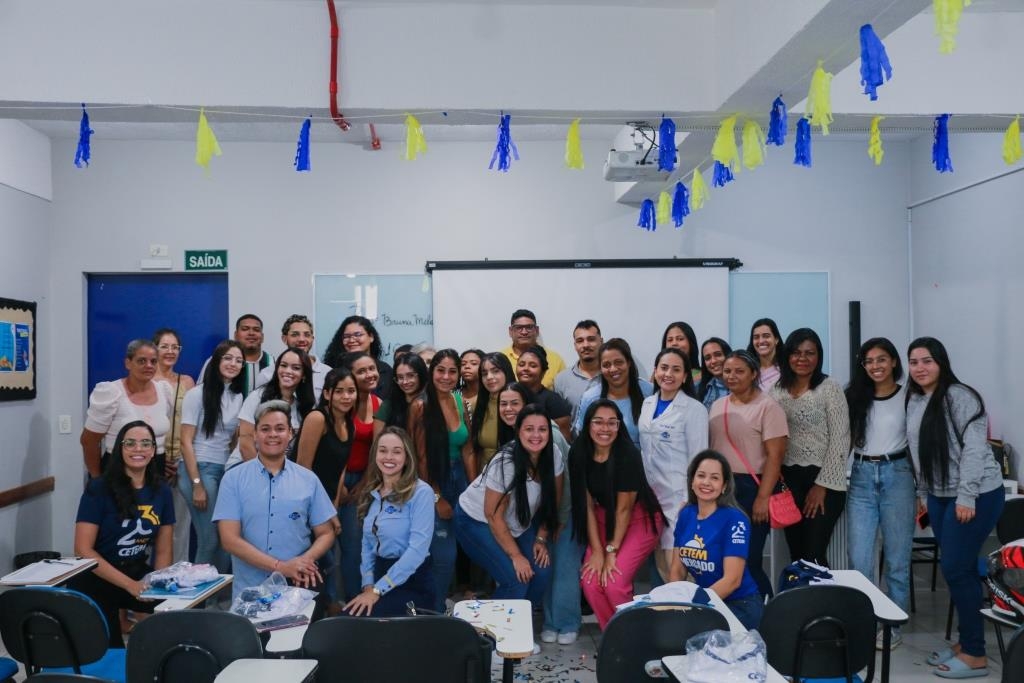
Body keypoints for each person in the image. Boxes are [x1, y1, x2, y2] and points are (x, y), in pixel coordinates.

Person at [907, 337, 1005, 679]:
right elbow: (919, 451)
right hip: (938, 495)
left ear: (941, 363)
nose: (920, 368)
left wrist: (966, 496)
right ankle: (965, 644)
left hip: (977, 494)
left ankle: (976, 654)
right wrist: (923, 492)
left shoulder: (960, 396)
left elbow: (975, 449)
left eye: (927, 361)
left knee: (957, 568)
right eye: (914, 362)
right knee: (956, 570)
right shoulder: (916, 399)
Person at [213, 400, 338, 603]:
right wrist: (281, 567)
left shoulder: (308, 479)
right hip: (249, 592)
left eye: (280, 429)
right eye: (265, 429)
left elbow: (326, 533)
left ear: (290, 434)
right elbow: (229, 539)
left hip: (297, 590)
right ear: (255, 434)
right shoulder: (233, 479)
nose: (273, 434)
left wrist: (303, 561)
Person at [71, 421, 174, 648]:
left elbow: (164, 549)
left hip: (136, 570)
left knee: (174, 621)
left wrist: (158, 583)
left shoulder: (162, 491)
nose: (138, 449)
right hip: (96, 576)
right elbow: (83, 550)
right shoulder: (99, 488)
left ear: (153, 450)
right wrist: (130, 585)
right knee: (112, 650)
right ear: (120, 448)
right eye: (130, 443)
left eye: (145, 443)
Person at [495, 382, 579, 644]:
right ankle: (546, 622)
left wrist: (559, 521)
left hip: (563, 511)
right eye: (504, 404)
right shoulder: (514, 435)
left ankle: (565, 622)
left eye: (515, 403)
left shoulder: (547, 432)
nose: (509, 409)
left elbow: (565, 486)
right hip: (537, 515)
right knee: (543, 566)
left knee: (563, 566)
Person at [454, 405, 562, 607]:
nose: (536, 435)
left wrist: (541, 538)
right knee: (516, 579)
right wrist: (516, 555)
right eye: (529, 429)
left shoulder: (553, 454)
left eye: (542, 429)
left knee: (541, 572)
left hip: (516, 521)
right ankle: (491, 627)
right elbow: (493, 515)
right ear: (518, 431)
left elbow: (553, 500)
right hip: (476, 520)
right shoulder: (505, 462)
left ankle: (519, 620)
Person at [845, 337, 914, 650]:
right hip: (861, 476)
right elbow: (844, 439)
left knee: (897, 558)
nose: (875, 366)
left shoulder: (909, 396)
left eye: (881, 359)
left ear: (894, 361)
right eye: (869, 361)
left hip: (897, 474)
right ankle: (865, 621)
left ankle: (892, 625)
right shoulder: (854, 397)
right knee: (859, 558)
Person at [571, 399, 664, 629]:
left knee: (614, 582)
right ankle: (612, 635)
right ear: (588, 424)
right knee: (590, 581)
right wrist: (597, 551)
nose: (605, 428)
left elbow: (624, 509)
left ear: (619, 426)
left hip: (639, 519)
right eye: (598, 422)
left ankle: (632, 636)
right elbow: (587, 506)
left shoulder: (628, 454)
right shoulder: (579, 452)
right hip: (603, 517)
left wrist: (610, 552)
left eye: (612, 423)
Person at [708, 350, 788, 599]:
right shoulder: (717, 405)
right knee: (722, 558)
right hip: (721, 489)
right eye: (727, 371)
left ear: (754, 374)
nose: (731, 376)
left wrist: (762, 498)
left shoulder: (768, 407)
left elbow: (775, 456)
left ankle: (767, 610)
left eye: (739, 371)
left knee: (749, 559)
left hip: (752, 489)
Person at [771, 328, 850, 565]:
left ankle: (822, 591)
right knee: (796, 555)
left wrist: (822, 485)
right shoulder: (776, 390)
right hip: (788, 480)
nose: (802, 358)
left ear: (818, 356)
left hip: (824, 481)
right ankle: (800, 591)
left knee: (814, 554)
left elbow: (840, 439)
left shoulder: (829, 387)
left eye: (809, 353)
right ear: (787, 356)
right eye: (796, 353)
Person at [343, 427, 436, 617]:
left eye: (397, 452)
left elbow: (417, 550)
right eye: (383, 450)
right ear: (375, 455)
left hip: (412, 581)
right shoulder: (371, 492)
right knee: (349, 618)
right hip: (379, 578)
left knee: (353, 620)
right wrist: (368, 585)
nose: (389, 457)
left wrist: (378, 590)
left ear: (407, 457)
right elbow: (367, 545)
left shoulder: (421, 492)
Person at [408, 349, 475, 610]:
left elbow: (467, 448)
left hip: (461, 478)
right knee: (444, 555)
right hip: (433, 480)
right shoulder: (421, 406)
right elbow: (420, 459)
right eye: (440, 370)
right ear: (431, 371)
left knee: (465, 545)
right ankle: (432, 613)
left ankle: (439, 606)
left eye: (452, 371)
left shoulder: (459, 400)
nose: (446, 377)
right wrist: (436, 497)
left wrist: (474, 488)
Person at [669, 449, 763, 631]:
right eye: (701, 476)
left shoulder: (735, 520)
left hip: (739, 605)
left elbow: (732, 580)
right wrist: (676, 604)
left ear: (724, 486)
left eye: (714, 478)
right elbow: (677, 570)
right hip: (706, 604)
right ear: (692, 481)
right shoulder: (686, 514)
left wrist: (696, 606)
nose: (706, 482)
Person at [638, 347, 708, 581]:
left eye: (676, 370)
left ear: (685, 376)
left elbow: (700, 460)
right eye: (664, 368)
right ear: (655, 371)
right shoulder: (648, 403)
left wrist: (691, 500)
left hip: (679, 498)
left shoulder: (694, 409)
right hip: (651, 497)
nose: (668, 374)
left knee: (678, 568)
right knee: (660, 564)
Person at [177, 340, 245, 572]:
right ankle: (197, 592)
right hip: (199, 469)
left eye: (238, 360)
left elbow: (233, 439)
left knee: (227, 540)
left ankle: (220, 591)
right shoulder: (197, 394)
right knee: (210, 539)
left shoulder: (238, 396)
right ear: (216, 361)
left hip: (224, 471)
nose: (233, 364)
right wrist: (197, 484)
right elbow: (185, 441)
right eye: (228, 358)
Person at [297, 367, 357, 610]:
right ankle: (321, 610)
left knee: (331, 560)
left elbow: (341, 469)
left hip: (328, 501)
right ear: (327, 394)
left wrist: (334, 505)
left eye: (351, 391)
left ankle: (329, 607)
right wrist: (325, 512)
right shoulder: (317, 418)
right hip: (306, 503)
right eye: (339, 391)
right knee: (323, 560)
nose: (346, 397)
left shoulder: (349, 423)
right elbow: (303, 469)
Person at [81, 339, 175, 479]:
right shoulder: (111, 393)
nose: (148, 366)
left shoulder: (164, 391)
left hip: (156, 470)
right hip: (117, 470)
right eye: (142, 361)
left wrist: (158, 458)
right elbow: (89, 441)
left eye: (153, 361)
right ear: (128, 363)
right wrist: (96, 478)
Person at [334, 351, 384, 600]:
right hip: (336, 479)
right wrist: (340, 485)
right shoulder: (344, 403)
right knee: (334, 545)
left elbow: (377, 449)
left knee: (356, 545)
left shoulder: (378, 404)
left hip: (365, 481)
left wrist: (365, 483)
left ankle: (355, 601)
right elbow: (336, 447)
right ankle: (335, 601)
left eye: (372, 369)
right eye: (361, 371)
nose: (369, 375)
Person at [152, 328, 195, 564]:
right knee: (147, 522)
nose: (170, 351)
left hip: (181, 461)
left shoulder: (187, 382)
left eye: (175, 347)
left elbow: (194, 423)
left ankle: (178, 575)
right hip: (149, 462)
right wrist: (158, 461)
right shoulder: (145, 380)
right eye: (164, 346)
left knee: (179, 524)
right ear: (154, 349)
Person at [234, 347, 316, 464]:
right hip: (245, 465)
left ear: (304, 375)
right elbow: (245, 442)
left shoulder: (302, 407)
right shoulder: (257, 396)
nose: (288, 371)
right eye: (283, 365)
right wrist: (264, 472)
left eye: (296, 368)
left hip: (280, 470)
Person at [574, 338, 654, 448]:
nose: (613, 369)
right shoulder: (590, 398)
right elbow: (583, 437)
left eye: (618, 362)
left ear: (629, 362)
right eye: (606, 365)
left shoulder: (649, 391)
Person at [255, 314, 331, 396]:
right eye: (295, 334)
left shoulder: (327, 373)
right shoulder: (267, 375)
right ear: (284, 339)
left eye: (307, 335)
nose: (301, 339)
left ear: (312, 339)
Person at [199, 314, 272, 398]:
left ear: (262, 337)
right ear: (236, 335)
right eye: (245, 329)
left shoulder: (274, 364)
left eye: (256, 330)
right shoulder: (216, 361)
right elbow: (201, 394)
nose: (251, 333)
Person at [322, 315, 394, 400]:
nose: (351, 340)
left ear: (371, 337)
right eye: (347, 336)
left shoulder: (385, 370)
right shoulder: (334, 369)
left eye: (358, 334)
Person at [469, 353, 517, 469]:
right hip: (485, 473)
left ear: (506, 372)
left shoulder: (521, 402)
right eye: (484, 373)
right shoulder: (478, 405)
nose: (489, 377)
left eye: (495, 371)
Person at [515, 346, 573, 441]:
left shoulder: (554, 401)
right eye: (521, 365)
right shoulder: (510, 396)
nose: (525, 368)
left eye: (533, 366)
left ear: (543, 372)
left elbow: (563, 442)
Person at [502, 309, 566, 389]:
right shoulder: (501, 358)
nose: (524, 332)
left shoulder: (555, 360)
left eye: (529, 327)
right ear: (510, 331)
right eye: (519, 328)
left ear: (537, 330)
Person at [553, 320, 603, 422]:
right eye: (580, 341)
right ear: (575, 345)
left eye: (591, 339)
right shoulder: (562, 379)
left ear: (601, 341)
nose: (586, 345)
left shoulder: (612, 375)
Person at [374, 353, 428, 433]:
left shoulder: (431, 402)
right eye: (400, 377)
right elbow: (377, 439)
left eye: (410, 375)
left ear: (421, 374)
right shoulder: (389, 405)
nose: (405, 382)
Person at [747, 318, 783, 391]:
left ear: (776, 339)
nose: (761, 341)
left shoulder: (786, 369)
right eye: (756, 337)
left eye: (766, 336)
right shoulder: (748, 369)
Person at [698, 337, 732, 411]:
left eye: (718, 355)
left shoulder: (745, 385)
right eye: (708, 358)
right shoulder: (698, 389)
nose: (713, 361)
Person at [459, 348, 484, 414]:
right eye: (463, 364)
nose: (467, 366)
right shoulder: (453, 394)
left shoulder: (491, 395)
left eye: (474, 363)